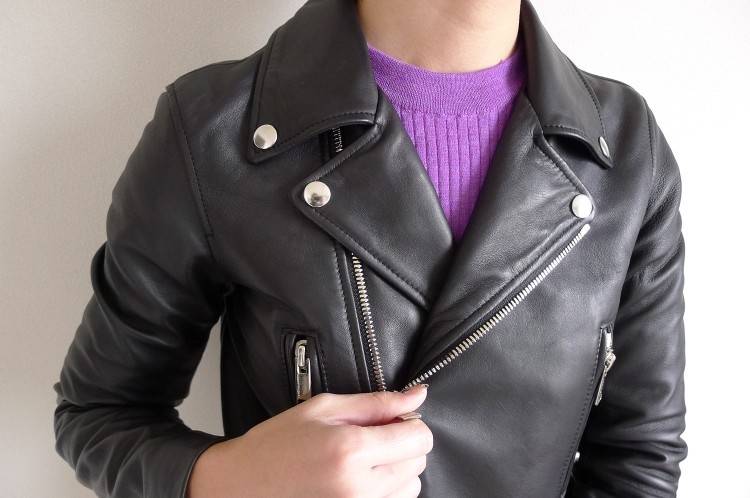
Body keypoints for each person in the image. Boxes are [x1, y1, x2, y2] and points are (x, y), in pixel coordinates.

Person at [52, 0, 688, 496]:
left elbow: (638, 457)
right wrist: (227, 478)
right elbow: (99, 412)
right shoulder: (215, 129)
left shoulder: (626, 149)